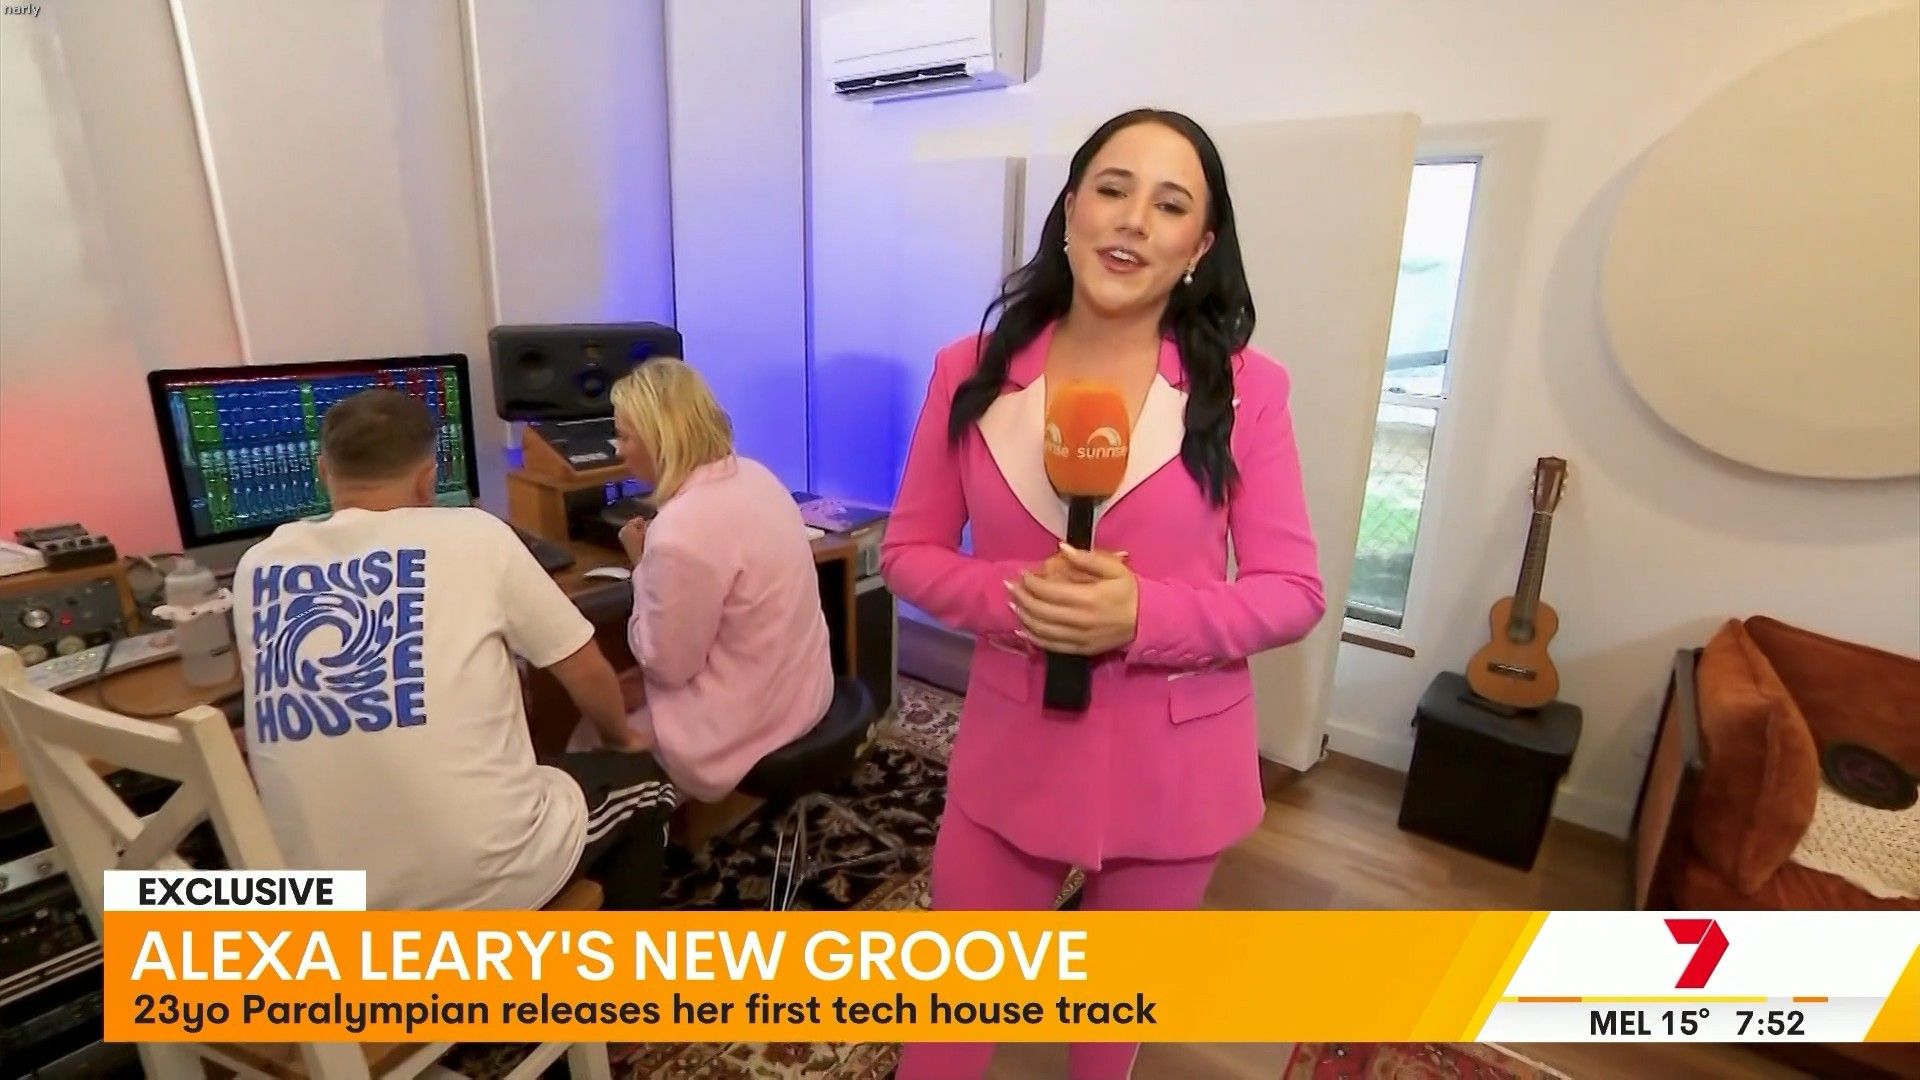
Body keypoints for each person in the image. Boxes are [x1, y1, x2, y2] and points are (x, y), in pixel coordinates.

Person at [882, 109, 1327, 1078]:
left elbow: (1293, 591)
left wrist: (1142, 616)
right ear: (1072, 207)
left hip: (1177, 767)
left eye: (1169, 205)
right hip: (1013, 754)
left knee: (1105, 1037)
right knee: (946, 1030)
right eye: (1113, 189)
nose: (1132, 221)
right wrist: (1018, 599)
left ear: (1199, 246)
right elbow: (908, 552)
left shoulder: (1249, 390)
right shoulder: (970, 371)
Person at [234, 388, 676, 911]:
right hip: (477, 883)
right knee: (648, 784)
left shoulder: (256, 566)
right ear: (428, 479)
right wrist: (619, 737)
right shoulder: (477, 535)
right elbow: (586, 674)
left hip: (323, 903)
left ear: (323, 472)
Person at [580, 358, 833, 804]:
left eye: (625, 436)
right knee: (626, 688)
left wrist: (643, 567)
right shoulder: (755, 474)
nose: (619, 450)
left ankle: (644, 834)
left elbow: (668, 667)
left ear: (659, 440)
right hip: (804, 693)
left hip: (749, 723)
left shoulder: (680, 530)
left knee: (589, 732)